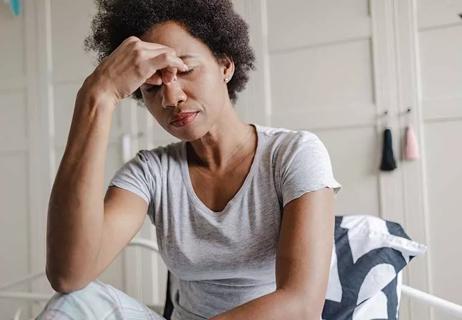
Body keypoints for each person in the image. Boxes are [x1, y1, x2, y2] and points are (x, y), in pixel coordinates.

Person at [37, 0, 342, 319]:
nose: (171, 98)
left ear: (225, 66)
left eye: (185, 70)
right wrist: (96, 96)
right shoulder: (151, 172)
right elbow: (68, 275)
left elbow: (301, 305)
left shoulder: (294, 153)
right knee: (71, 303)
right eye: (152, 87)